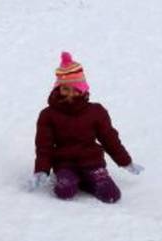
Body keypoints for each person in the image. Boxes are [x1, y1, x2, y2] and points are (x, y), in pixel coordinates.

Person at [28, 52, 140, 203]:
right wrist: (41, 170)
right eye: (65, 89)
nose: (70, 94)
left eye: (75, 89)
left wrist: (126, 161)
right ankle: (73, 179)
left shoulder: (96, 111)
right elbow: (44, 146)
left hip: (92, 161)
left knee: (111, 195)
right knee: (65, 191)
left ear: (83, 89)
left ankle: (90, 180)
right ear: (58, 88)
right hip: (64, 163)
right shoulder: (48, 115)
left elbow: (109, 139)